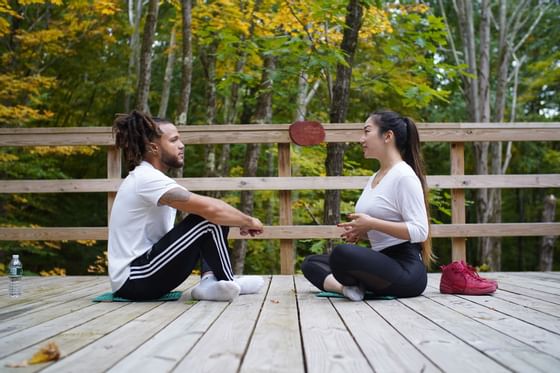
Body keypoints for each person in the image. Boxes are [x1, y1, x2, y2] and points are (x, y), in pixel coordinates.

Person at [108, 110, 265, 301]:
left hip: (148, 273)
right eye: (173, 140)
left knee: (211, 217)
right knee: (208, 216)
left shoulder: (152, 178)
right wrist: (248, 220)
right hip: (135, 279)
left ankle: (209, 283)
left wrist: (236, 220)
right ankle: (230, 279)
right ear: (154, 148)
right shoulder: (145, 178)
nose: (182, 145)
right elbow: (212, 210)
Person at [301, 110, 433, 300]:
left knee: (341, 254)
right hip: (380, 261)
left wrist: (371, 224)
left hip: (406, 270)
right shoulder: (376, 177)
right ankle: (347, 289)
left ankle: (356, 285)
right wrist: (362, 232)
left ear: (387, 136)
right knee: (311, 263)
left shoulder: (404, 176)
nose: (361, 139)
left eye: (367, 131)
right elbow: (382, 223)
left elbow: (420, 231)